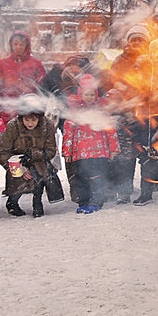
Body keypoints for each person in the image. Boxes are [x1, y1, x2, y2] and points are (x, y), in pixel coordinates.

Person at [61, 75, 119, 214]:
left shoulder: (101, 110)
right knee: (81, 178)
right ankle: (84, 201)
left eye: (92, 94)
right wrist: (67, 152)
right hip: (80, 152)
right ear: (81, 95)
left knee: (97, 177)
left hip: (99, 152)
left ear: (96, 95)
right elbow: (68, 133)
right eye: (86, 94)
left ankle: (97, 201)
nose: (89, 97)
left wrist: (113, 149)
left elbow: (110, 130)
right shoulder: (74, 112)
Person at [0, 94, 58, 218]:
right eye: (27, 119)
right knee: (18, 179)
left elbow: (51, 150)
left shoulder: (47, 125)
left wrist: (34, 155)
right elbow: (2, 151)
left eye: (33, 119)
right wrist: (19, 168)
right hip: (16, 160)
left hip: (39, 160)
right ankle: (12, 202)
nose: (30, 123)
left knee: (39, 174)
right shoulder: (13, 126)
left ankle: (37, 201)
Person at [0, 30, 46, 123]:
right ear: (11, 46)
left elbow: (43, 87)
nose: (18, 47)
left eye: (21, 44)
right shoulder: (4, 63)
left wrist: (40, 106)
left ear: (27, 46)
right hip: (9, 108)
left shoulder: (36, 64)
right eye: (15, 44)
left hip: (30, 109)